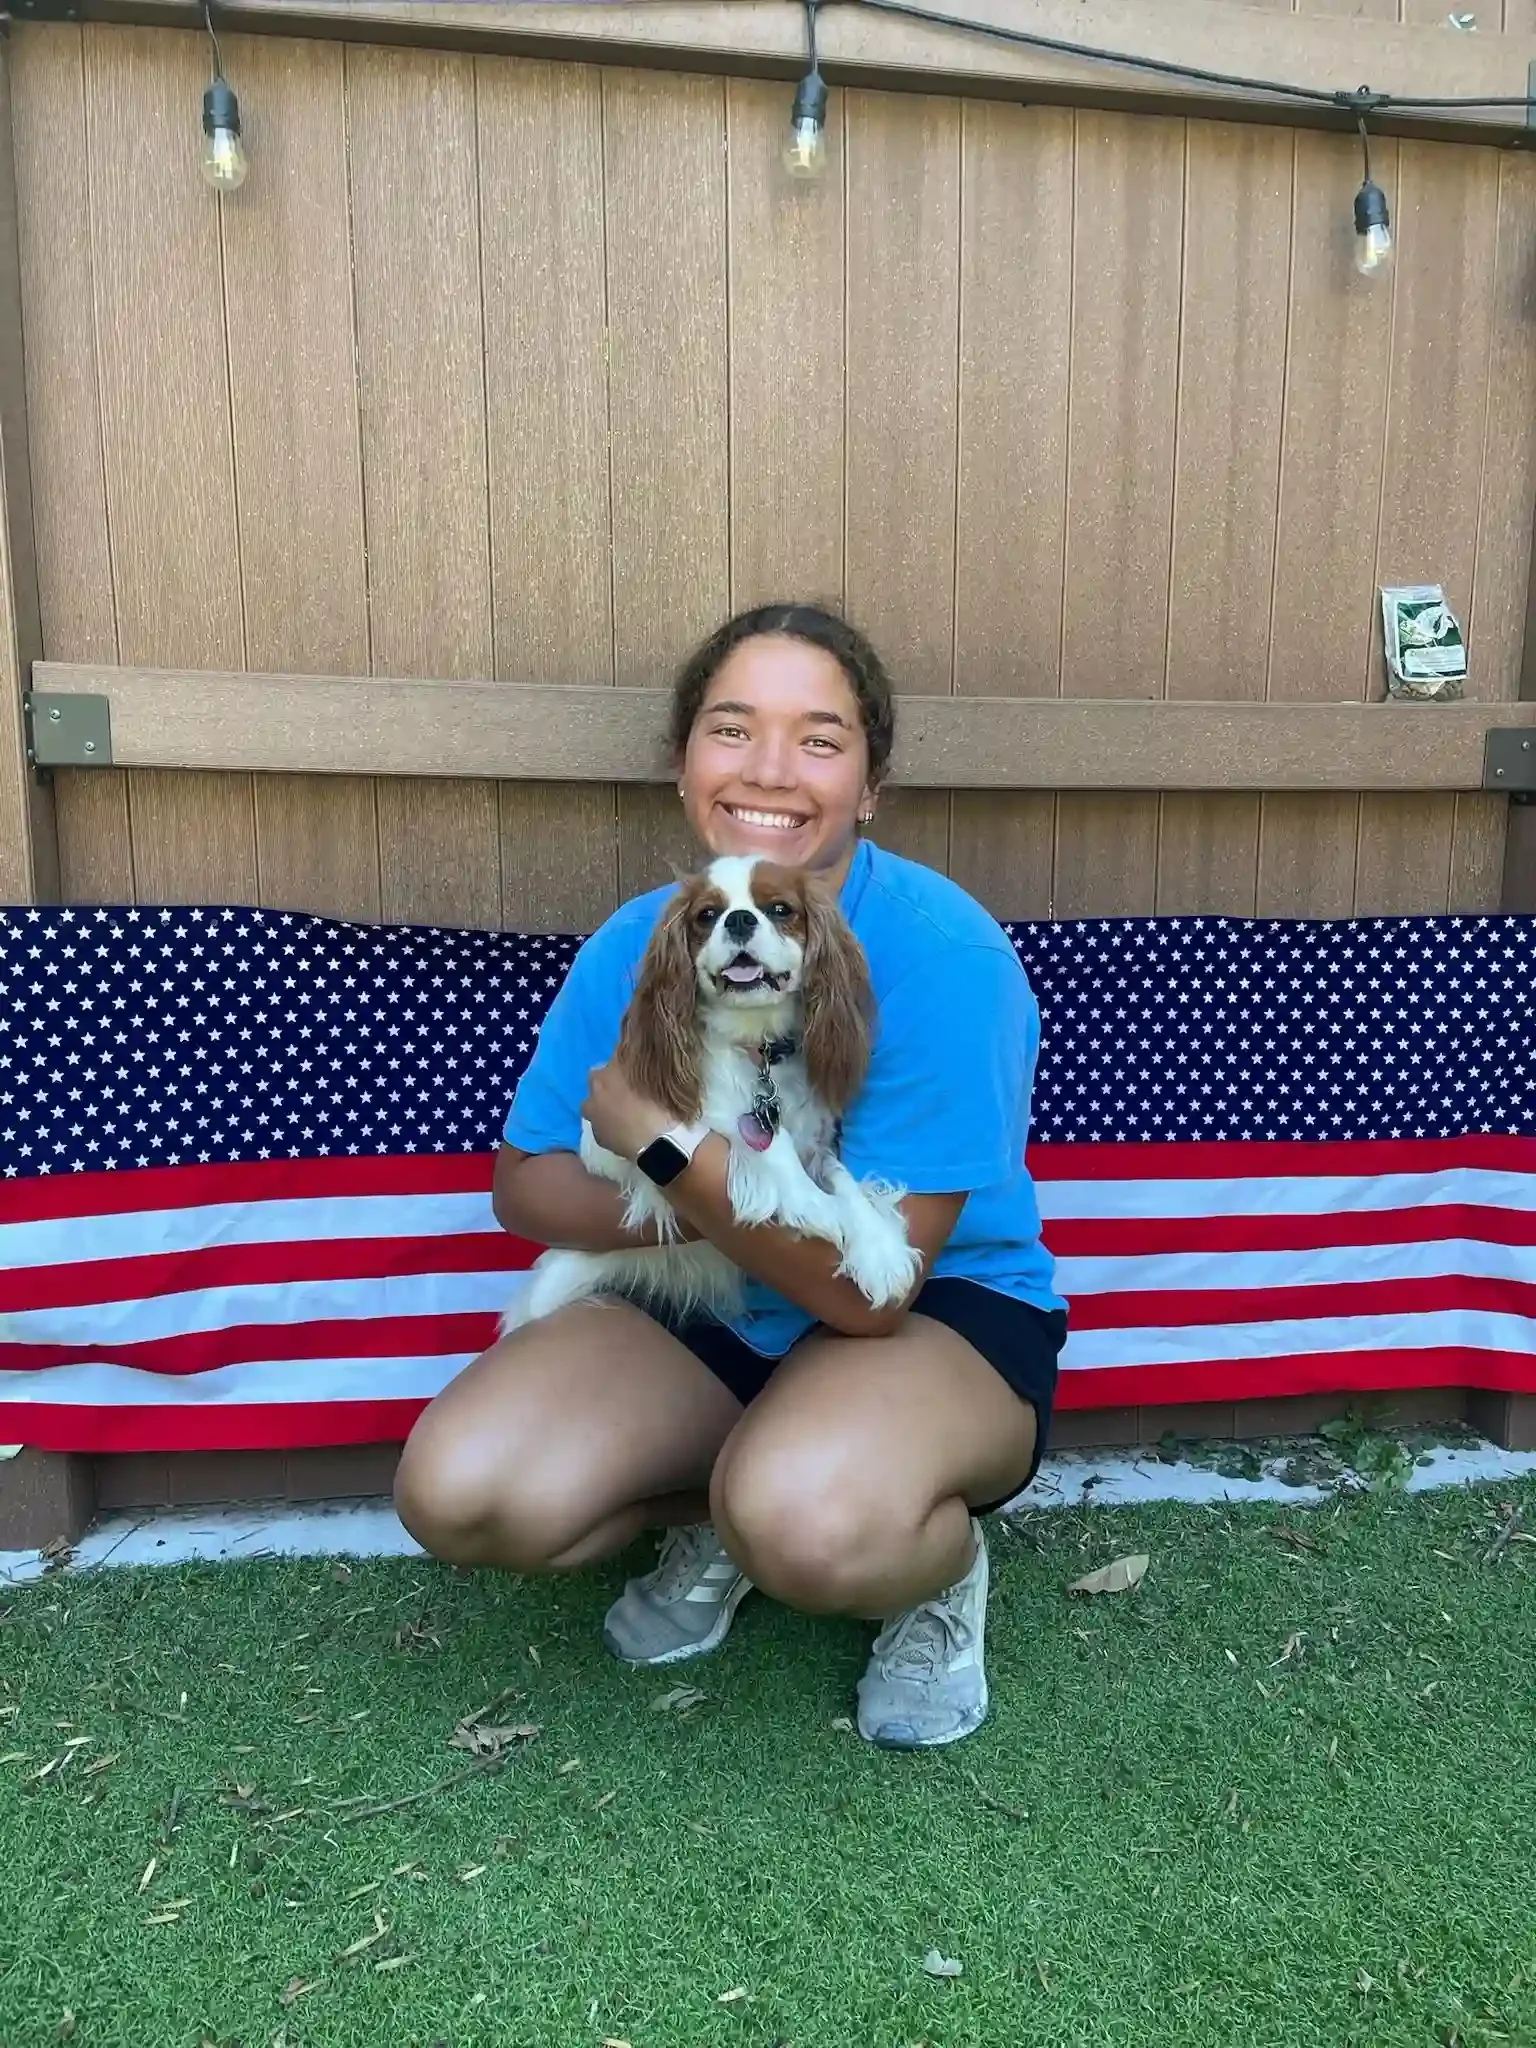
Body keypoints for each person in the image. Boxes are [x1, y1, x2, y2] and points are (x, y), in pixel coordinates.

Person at [395, 604, 1066, 1749]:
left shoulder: (942, 951)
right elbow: (524, 1182)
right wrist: (697, 1206)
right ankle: (729, 1504)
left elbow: (870, 1292)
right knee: (462, 1489)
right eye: (732, 728)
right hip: (709, 1290)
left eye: (819, 737)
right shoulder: (643, 936)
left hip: (927, 1306)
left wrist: (669, 1148)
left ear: (871, 783)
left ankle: (934, 1561)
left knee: (810, 1521)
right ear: (682, 763)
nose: (770, 769)